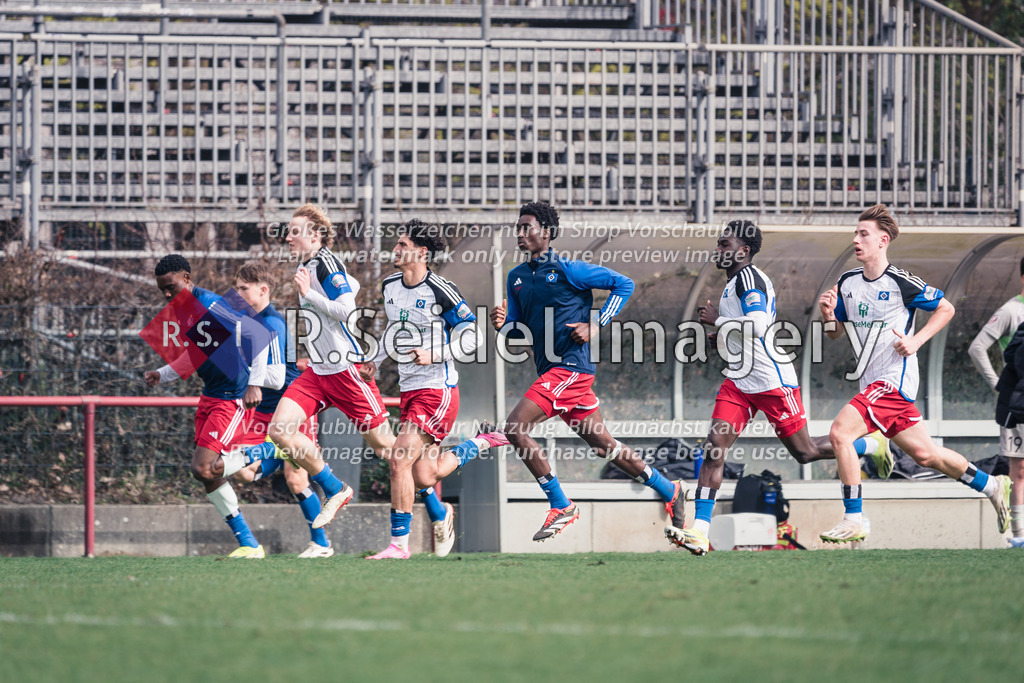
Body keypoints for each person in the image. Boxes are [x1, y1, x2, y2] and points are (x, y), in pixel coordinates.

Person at [664, 220, 894, 556]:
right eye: (719, 244)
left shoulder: (749, 278)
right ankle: (700, 531)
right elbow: (746, 329)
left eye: (725, 245)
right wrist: (722, 337)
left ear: (743, 251)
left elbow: (758, 325)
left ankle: (870, 446)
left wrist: (718, 322)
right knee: (714, 447)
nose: (719, 250)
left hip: (772, 380)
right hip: (740, 382)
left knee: (805, 453)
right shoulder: (732, 283)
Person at [490, 201, 686, 542]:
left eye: (527, 227)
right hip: (551, 372)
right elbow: (518, 332)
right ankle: (669, 488)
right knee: (603, 445)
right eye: (517, 227)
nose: (520, 233)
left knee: (514, 428)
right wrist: (502, 324)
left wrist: (595, 323)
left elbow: (624, 284)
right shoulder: (516, 277)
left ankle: (561, 505)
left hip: (572, 369)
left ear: (547, 233)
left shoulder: (570, 270)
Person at [817, 204, 1011, 543]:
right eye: (855, 233)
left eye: (863, 234)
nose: (856, 240)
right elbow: (835, 333)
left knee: (840, 433)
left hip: (892, 382)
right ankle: (992, 484)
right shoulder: (847, 282)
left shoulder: (900, 281)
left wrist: (916, 340)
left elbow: (946, 308)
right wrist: (828, 315)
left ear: (883, 240)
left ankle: (854, 517)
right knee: (925, 455)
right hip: (873, 385)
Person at [358, 219, 508, 559]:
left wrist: (435, 353)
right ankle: (484, 441)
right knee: (425, 475)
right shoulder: (391, 286)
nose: (395, 250)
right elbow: (393, 332)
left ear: (421, 252)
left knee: (399, 458)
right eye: (395, 244)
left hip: (437, 390)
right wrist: (376, 361)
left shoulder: (441, 289)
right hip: (411, 390)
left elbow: (474, 337)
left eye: (402, 245)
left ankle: (399, 545)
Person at [144, 254, 285, 559]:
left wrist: (254, 384)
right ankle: (248, 544)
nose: (167, 294)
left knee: (203, 467)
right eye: (162, 290)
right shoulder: (184, 311)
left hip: (231, 398)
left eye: (171, 286)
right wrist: (162, 374)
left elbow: (258, 334)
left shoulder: (210, 304)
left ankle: (271, 450)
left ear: (186, 277)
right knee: (206, 473)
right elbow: (195, 356)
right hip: (211, 395)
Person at [225, 262, 334, 558]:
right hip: (265, 412)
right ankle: (280, 451)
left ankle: (321, 545)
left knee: (296, 478)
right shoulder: (247, 322)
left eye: (243, 289)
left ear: (263, 290)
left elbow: (273, 377)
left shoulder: (272, 325)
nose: (238, 294)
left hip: (291, 408)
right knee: (245, 472)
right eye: (237, 288)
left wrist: (244, 378)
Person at [972, 259, 1024, 547]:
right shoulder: (1011, 311)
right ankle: (1019, 538)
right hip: (1018, 403)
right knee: (1019, 470)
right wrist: (997, 383)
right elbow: (977, 347)